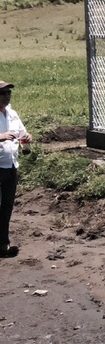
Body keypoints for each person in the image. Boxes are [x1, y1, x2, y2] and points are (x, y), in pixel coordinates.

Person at [0, 80, 29, 258]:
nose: (7, 96)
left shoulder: (12, 114)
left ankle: (3, 243)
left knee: (7, 205)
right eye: (3, 93)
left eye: (8, 93)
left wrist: (27, 137)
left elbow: (21, 133)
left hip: (11, 165)